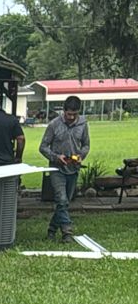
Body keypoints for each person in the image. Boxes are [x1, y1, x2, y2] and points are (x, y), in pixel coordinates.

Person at [39, 96, 90, 243]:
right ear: (64, 111)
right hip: (57, 169)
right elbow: (43, 147)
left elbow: (86, 144)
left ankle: (52, 229)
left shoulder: (83, 124)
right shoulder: (54, 125)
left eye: (75, 114)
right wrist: (55, 157)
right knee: (61, 199)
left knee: (65, 203)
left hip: (73, 168)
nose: (72, 117)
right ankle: (67, 231)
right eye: (69, 114)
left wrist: (81, 155)